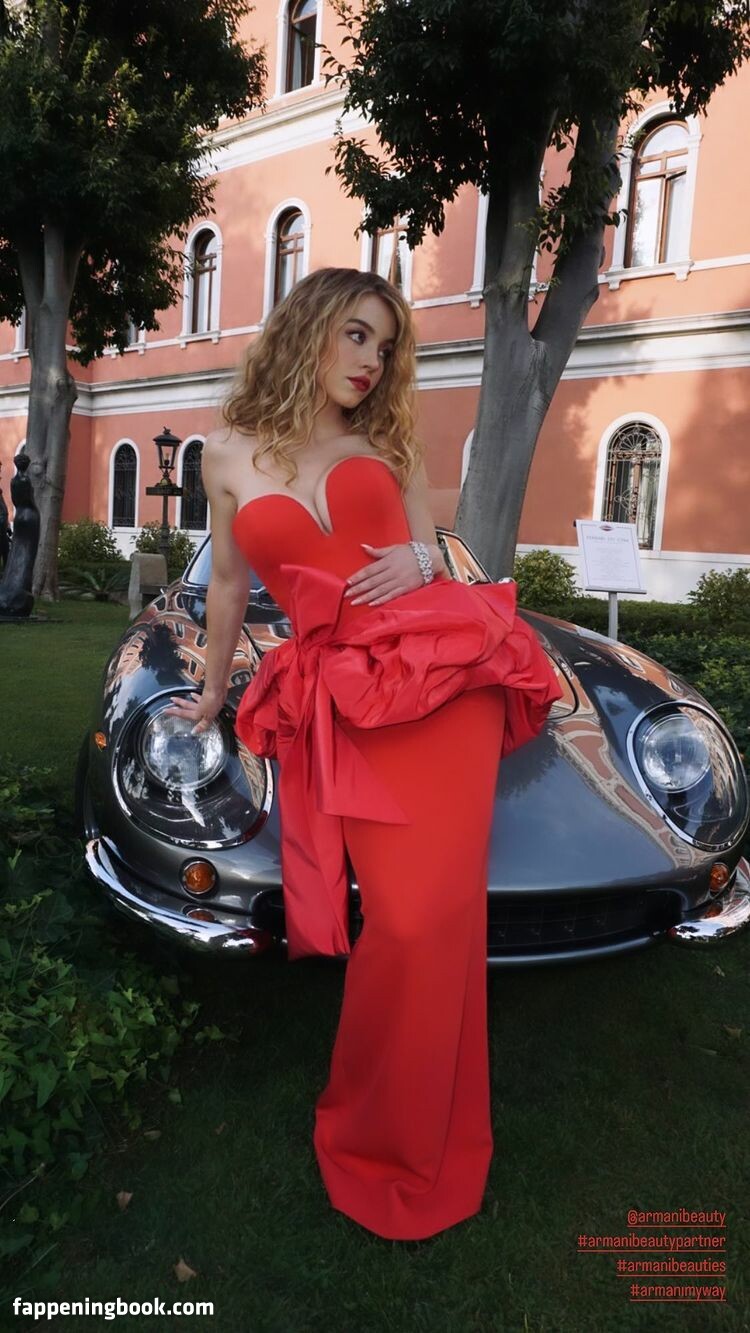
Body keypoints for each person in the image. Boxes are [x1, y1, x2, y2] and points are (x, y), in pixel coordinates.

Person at [164, 267, 563, 1242]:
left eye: (383, 346)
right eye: (355, 334)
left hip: (440, 681)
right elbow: (227, 586)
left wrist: (422, 559)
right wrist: (212, 687)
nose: (372, 361)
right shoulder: (226, 454)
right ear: (306, 329)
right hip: (343, 696)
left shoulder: (385, 443)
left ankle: (420, 1134)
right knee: (405, 922)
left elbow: (434, 555)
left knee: (433, 918)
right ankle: (374, 1123)